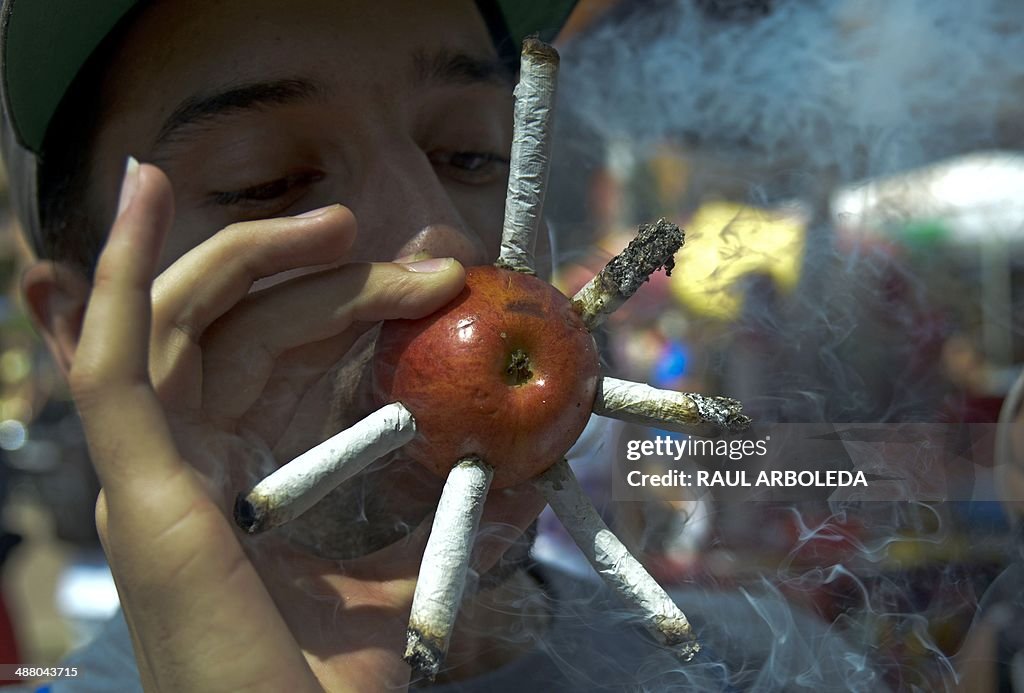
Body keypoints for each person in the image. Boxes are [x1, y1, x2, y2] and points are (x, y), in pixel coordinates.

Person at [0, 1, 883, 690]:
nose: (444, 249)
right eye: (265, 181)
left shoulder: (764, 671)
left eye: (471, 155)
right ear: (81, 335)